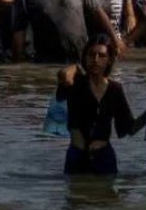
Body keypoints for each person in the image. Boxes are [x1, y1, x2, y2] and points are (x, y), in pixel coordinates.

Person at [56, 36, 140, 174]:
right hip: (77, 155)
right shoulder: (75, 84)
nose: (95, 60)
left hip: (104, 157)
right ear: (85, 57)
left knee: (106, 194)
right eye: (91, 55)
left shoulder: (115, 89)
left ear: (109, 60)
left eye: (101, 55)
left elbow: (127, 128)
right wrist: (77, 66)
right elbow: (63, 76)